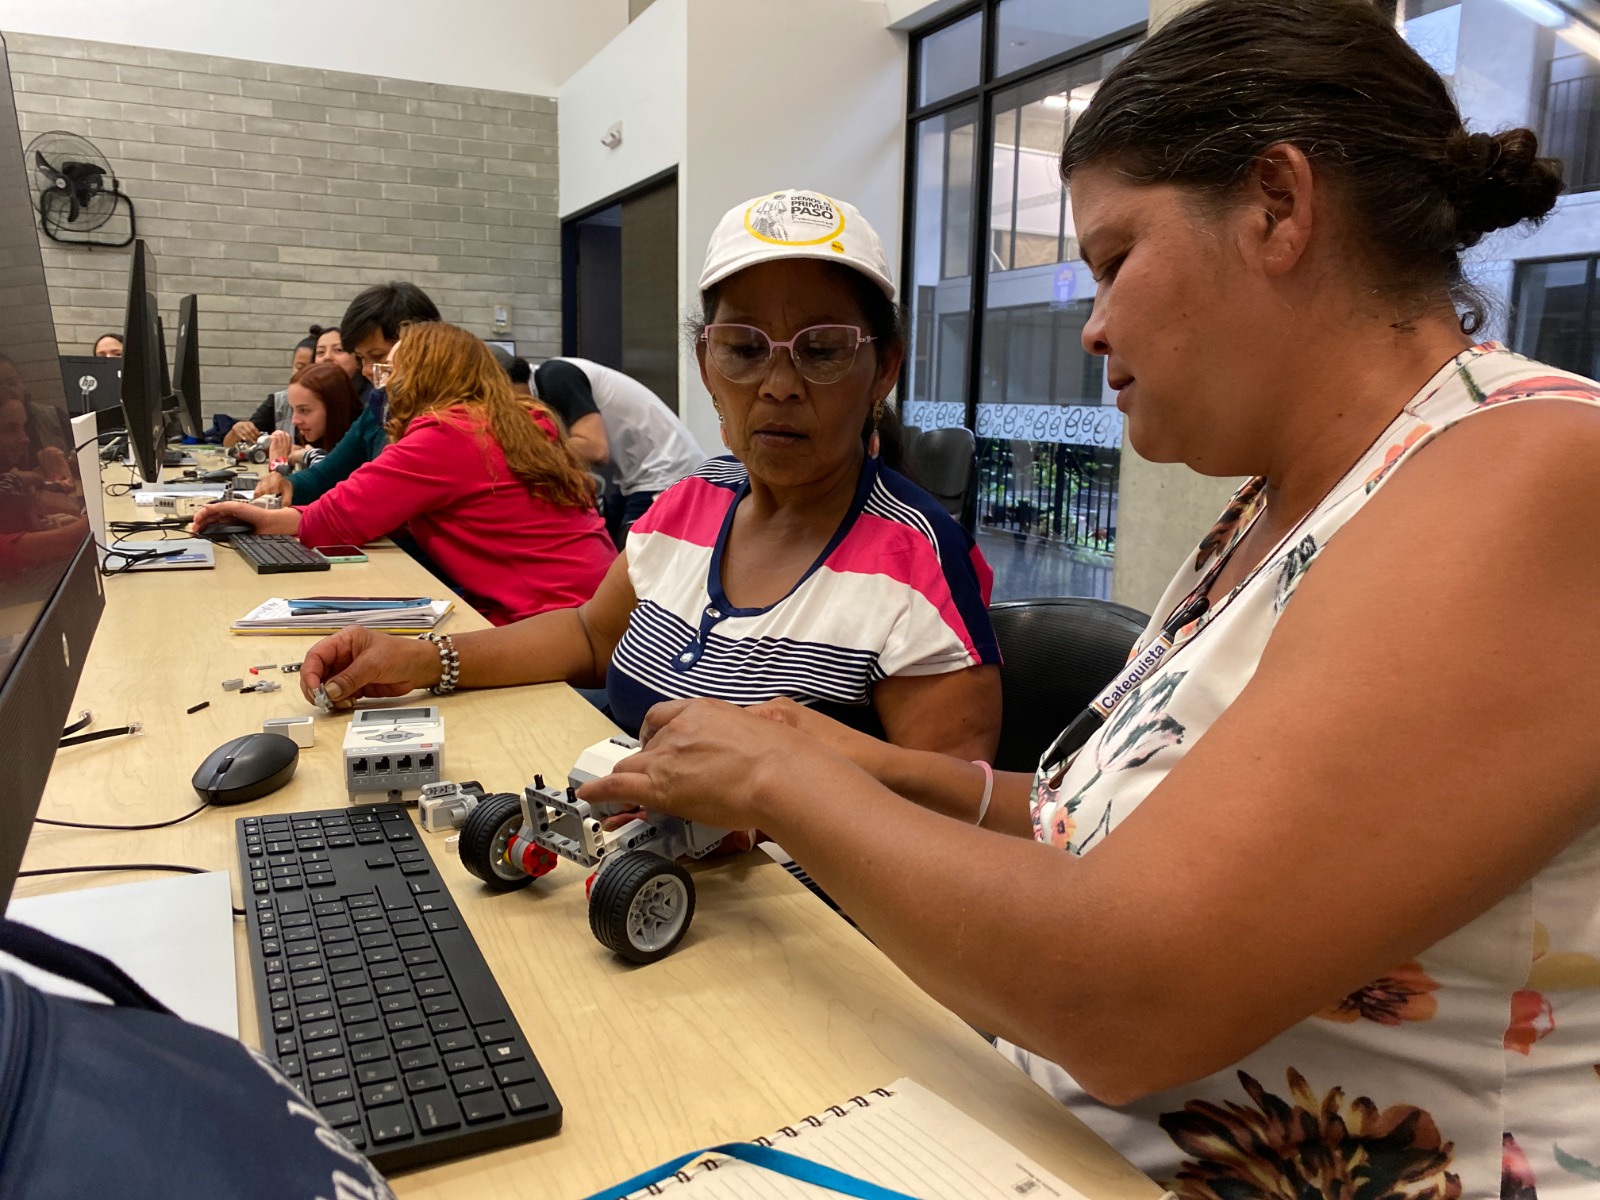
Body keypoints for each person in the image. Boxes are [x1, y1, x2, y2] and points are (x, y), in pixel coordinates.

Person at [578, 6, 1600, 1199]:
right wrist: (849, 758)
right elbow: (1098, 832)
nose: (1091, 323)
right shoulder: (1279, 507)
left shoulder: (1525, 475)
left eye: (1115, 260)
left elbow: (1129, 994)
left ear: (1276, 206)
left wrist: (779, 785)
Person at [293, 190, 1003, 760]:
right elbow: (591, 637)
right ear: (706, 367)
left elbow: (949, 817)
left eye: (821, 350)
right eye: (744, 348)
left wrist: (778, 792)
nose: (778, 385)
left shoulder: (919, 565)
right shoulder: (695, 501)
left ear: (883, 368)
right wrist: (424, 660)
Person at [193, 323, 616, 627]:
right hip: (598, 620)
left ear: (424, 377)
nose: (382, 387)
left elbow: (336, 519)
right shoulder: (514, 422)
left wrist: (259, 519)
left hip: (545, 625)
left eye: (390, 371)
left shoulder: (449, 434)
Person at [254, 283, 441, 505]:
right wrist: (288, 485)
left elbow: (373, 502)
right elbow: (328, 473)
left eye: (378, 356)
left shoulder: (443, 422)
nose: (367, 370)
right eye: (361, 358)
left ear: (421, 347)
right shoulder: (379, 409)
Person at [531, 357, 706, 532]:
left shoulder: (556, 375)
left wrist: (529, 450)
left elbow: (595, 448)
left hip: (665, 471)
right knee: (607, 544)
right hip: (635, 477)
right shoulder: (548, 380)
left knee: (632, 553)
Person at [224, 327, 321, 448]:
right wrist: (237, 432)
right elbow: (234, 445)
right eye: (299, 367)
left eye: (304, 410)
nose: (295, 420)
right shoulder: (278, 402)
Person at [265, 361, 358, 472]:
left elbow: (327, 481)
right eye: (292, 409)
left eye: (304, 410)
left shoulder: (359, 448)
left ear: (334, 408)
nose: (294, 420)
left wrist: (278, 463)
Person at [312, 325, 373, 408]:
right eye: (320, 352)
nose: (327, 357)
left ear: (359, 359)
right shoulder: (305, 396)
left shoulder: (373, 401)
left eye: (338, 350)